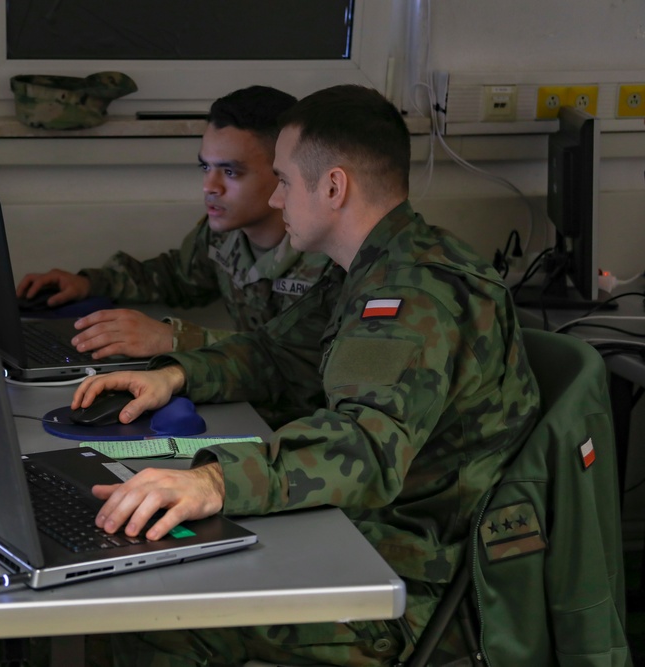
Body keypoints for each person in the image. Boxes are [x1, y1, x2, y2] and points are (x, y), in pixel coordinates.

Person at [71, 84, 541, 665]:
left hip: (411, 578)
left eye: (286, 181)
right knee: (148, 569)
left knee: (157, 613)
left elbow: (364, 448)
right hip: (359, 532)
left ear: (335, 187)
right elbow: (278, 355)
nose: (275, 200)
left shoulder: (411, 297)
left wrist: (214, 483)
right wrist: (173, 374)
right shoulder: (371, 268)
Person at [16, 85, 338, 362]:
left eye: (230, 172)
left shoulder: (334, 257)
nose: (209, 186)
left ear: (283, 172)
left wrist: (174, 338)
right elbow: (179, 276)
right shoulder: (222, 235)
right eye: (205, 167)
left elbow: (299, 363)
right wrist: (92, 283)